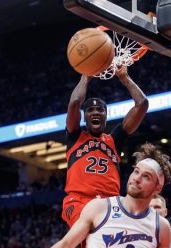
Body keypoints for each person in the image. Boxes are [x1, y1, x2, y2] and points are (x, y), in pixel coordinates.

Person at [20, 143, 171, 248]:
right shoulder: (100, 208)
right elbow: (66, 245)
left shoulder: (160, 226)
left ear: (157, 187)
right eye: (136, 171)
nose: (136, 178)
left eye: (146, 176)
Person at [62, 65, 149, 228]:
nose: (95, 112)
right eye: (90, 110)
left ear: (106, 117)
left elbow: (142, 103)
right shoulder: (75, 136)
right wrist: (85, 77)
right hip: (79, 202)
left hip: (111, 204)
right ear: (84, 117)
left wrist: (124, 78)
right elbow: (74, 102)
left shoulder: (114, 140)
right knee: (91, 232)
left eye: (100, 110)